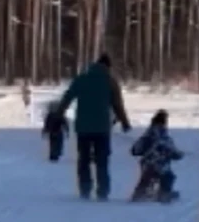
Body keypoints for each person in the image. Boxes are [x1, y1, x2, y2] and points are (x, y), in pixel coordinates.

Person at [54, 53, 132, 200]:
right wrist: (125, 122)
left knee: (83, 158)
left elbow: (67, 97)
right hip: (102, 128)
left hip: (83, 127)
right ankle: (103, 191)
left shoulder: (82, 79)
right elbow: (117, 105)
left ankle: (85, 188)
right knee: (102, 159)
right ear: (108, 67)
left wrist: (58, 115)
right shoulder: (110, 81)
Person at [128, 110, 185, 203]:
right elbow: (172, 151)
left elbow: (135, 150)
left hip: (147, 165)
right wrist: (179, 155)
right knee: (169, 176)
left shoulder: (146, 136)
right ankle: (164, 193)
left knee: (145, 179)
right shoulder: (164, 136)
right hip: (161, 165)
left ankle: (139, 194)